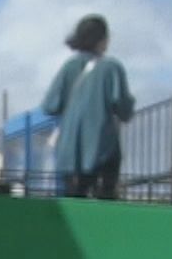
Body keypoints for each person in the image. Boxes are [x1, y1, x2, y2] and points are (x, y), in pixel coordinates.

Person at [39, 13, 135, 200]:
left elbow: (49, 106)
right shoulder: (111, 68)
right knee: (105, 202)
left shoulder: (69, 67)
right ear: (101, 39)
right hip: (102, 148)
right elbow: (124, 109)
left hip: (68, 152)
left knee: (74, 200)